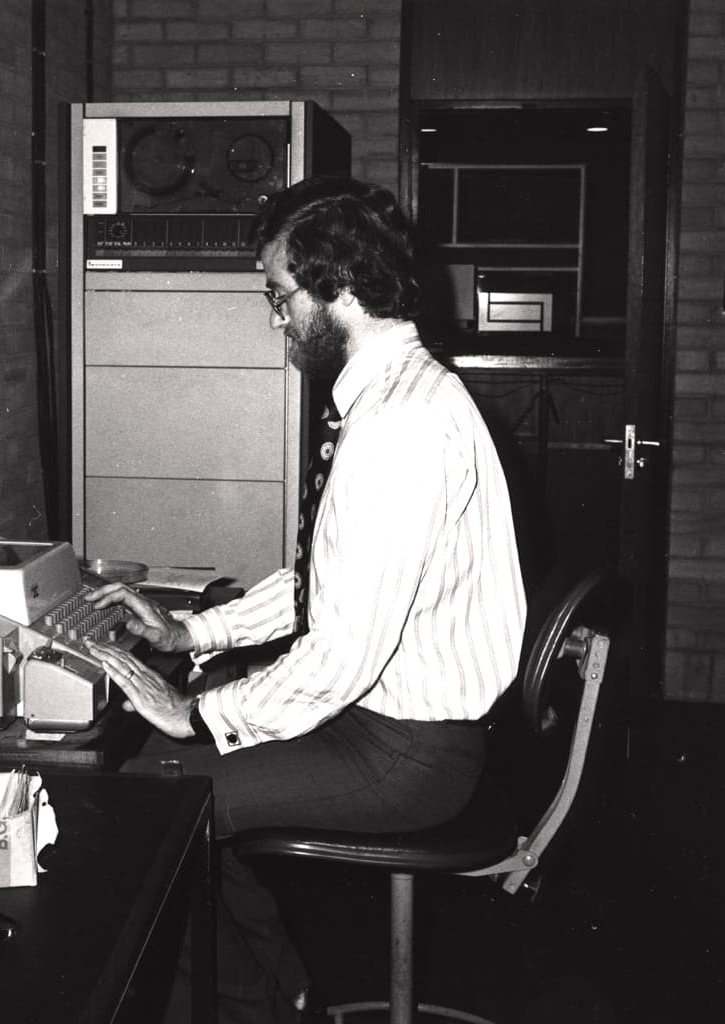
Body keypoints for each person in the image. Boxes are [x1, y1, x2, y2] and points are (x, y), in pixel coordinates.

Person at [85, 176, 527, 1024]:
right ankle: (277, 991)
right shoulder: (392, 399)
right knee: (162, 784)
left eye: (278, 293)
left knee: (148, 802)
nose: (275, 315)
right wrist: (191, 631)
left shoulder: (400, 429)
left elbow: (343, 651)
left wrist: (199, 711)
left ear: (339, 289)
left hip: (406, 755)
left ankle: (252, 1004)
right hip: (386, 729)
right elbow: (329, 584)